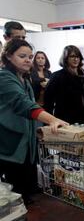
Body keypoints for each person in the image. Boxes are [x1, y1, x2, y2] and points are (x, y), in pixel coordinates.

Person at [0, 39, 68, 204]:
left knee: (27, 187)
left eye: (30, 56)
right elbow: (23, 104)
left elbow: (31, 107)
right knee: (16, 192)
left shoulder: (24, 79)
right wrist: (52, 119)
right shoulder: (4, 78)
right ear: (9, 56)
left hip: (26, 142)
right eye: (22, 56)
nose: (28, 60)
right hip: (11, 143)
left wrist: (39, 131)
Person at [44, 45, 84, 124]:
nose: (76, 59)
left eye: (78, 56)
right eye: (72, 56)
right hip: (64, 119)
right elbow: (48, 101)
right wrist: (49, 122)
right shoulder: (57, 76)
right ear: (66, 58)